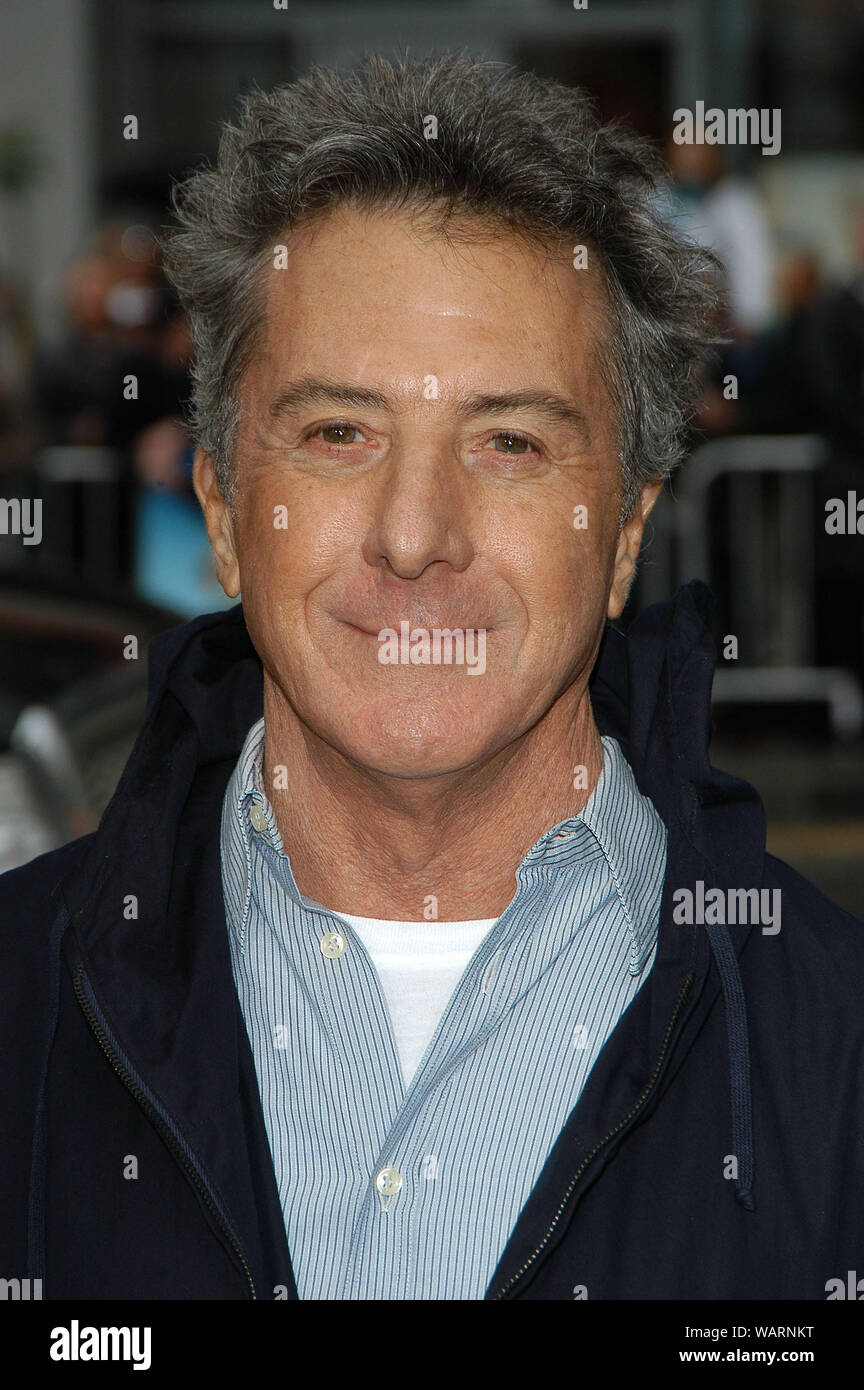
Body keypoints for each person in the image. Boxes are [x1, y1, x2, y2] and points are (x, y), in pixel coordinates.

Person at [2, 55, 862, 1302]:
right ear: (225, 511)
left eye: (509, 441)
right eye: (339, 433)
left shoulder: (833, 1051)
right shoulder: (21, 1001)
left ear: (625, 533)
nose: (415, 535)